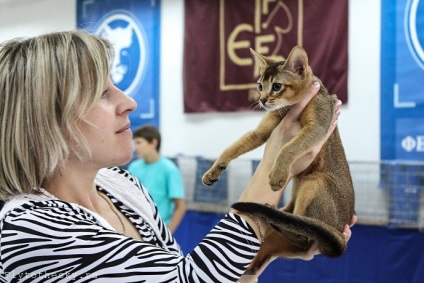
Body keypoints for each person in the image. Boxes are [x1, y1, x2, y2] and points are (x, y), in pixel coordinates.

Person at [0, 30, 356, 283]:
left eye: (116, 86)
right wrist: (274, 161)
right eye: (100, 94)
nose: (129, 102)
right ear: (45, 122)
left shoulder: (121, 187)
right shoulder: (27, 229)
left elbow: (187, 273)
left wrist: (274, 249)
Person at [128, 125, 186, 233]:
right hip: (135, 229)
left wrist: (168, 235)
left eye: (139, 142)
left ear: (154, 143)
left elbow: (180, 206)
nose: (135, 147)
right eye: (134, 143)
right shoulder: (133, 167)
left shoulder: (169, 169)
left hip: (159, 230)